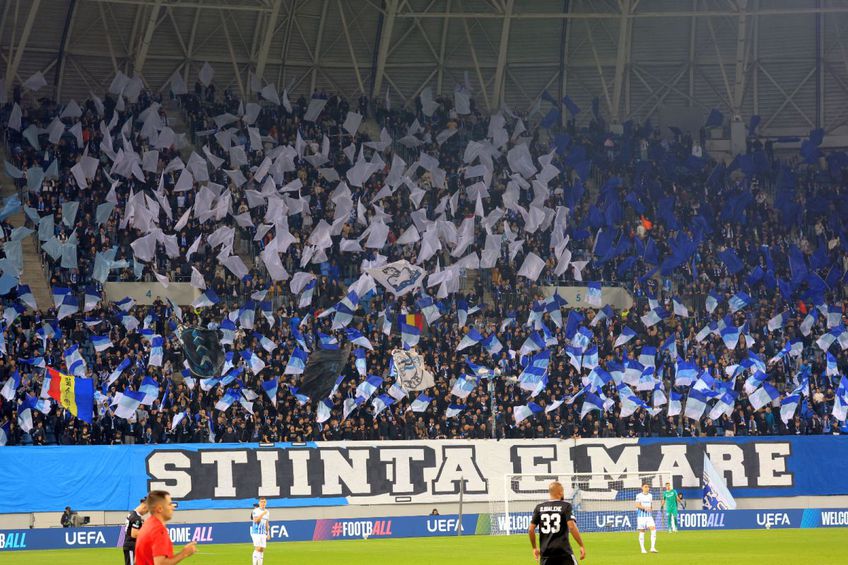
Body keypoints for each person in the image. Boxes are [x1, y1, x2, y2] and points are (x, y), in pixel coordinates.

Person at [528, 481, 586, 564]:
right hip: (563, 552)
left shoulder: (539, 507)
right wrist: (581, 545)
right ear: (561, 492)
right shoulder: (565, 506)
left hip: (546, 553)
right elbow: (572, 527)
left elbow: (530, 529)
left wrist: (534, 548)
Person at [135, 490, 196, 565]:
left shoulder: (147, 524)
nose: (173, 507)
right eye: (170, 504)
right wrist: (184, 553)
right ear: (160, 509)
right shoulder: (158, 530)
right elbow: (160, 563)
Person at [123, 498, 148, 565]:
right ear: (144, 506)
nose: (146, 512)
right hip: (131, 545)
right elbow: (134, 534)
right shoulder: (136, 518)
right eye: (147, 510)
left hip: (130, 545)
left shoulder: (132, 513)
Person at [635, 483, 658, 553]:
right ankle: (642, 549)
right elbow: (637, 505)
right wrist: (645, 508)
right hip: (641, 517)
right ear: (642, 488)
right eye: (645, 487)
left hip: (649, 516)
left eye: (648, 487)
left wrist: (651, 508)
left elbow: (651, 505)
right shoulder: (639, 495)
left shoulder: (650, 496)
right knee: (642, 532)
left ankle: (652, 548)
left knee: (653, 530)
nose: (647, 488)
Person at [250, 497, 270, 565]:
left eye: (264, 502)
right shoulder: (256, 511)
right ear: (259, 503)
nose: (263, 503)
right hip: (256, 532)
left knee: (261, 549)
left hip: (263, 533)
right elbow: (256, 521)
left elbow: (266, 523)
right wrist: (262, 514)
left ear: (266, 503)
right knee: (257, 548)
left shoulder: (267, 512)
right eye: (261, 502)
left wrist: (268, 533)